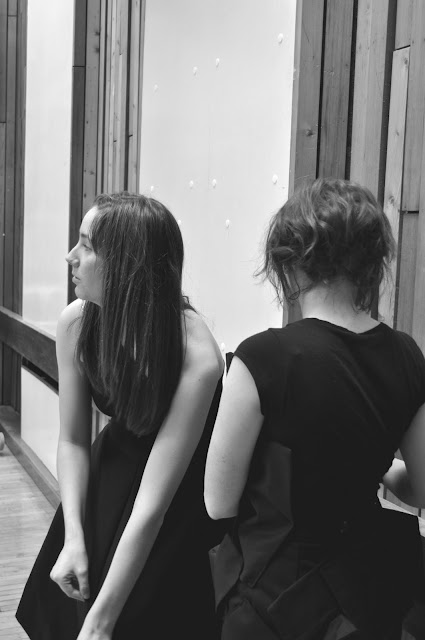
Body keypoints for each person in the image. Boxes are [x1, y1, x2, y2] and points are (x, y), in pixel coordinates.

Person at [205, 178, 425, 640]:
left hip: (277, 596)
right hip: (366, 593)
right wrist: (378, 468)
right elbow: (421, 488)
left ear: (291, 262)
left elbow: (218, 502)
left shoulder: (263, 357)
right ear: (371, 261)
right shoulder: (406, 355)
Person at [16, 192, 225, 640]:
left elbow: (152, 507)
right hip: (110, 467)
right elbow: (72, 440)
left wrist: (101, 622)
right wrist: (74, 535)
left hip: (173, 491)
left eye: (86, 245)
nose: (70, 256)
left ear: (127, 264)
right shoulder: (76, 323)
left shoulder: (196, 354)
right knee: (72, 593)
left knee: (132, 616)